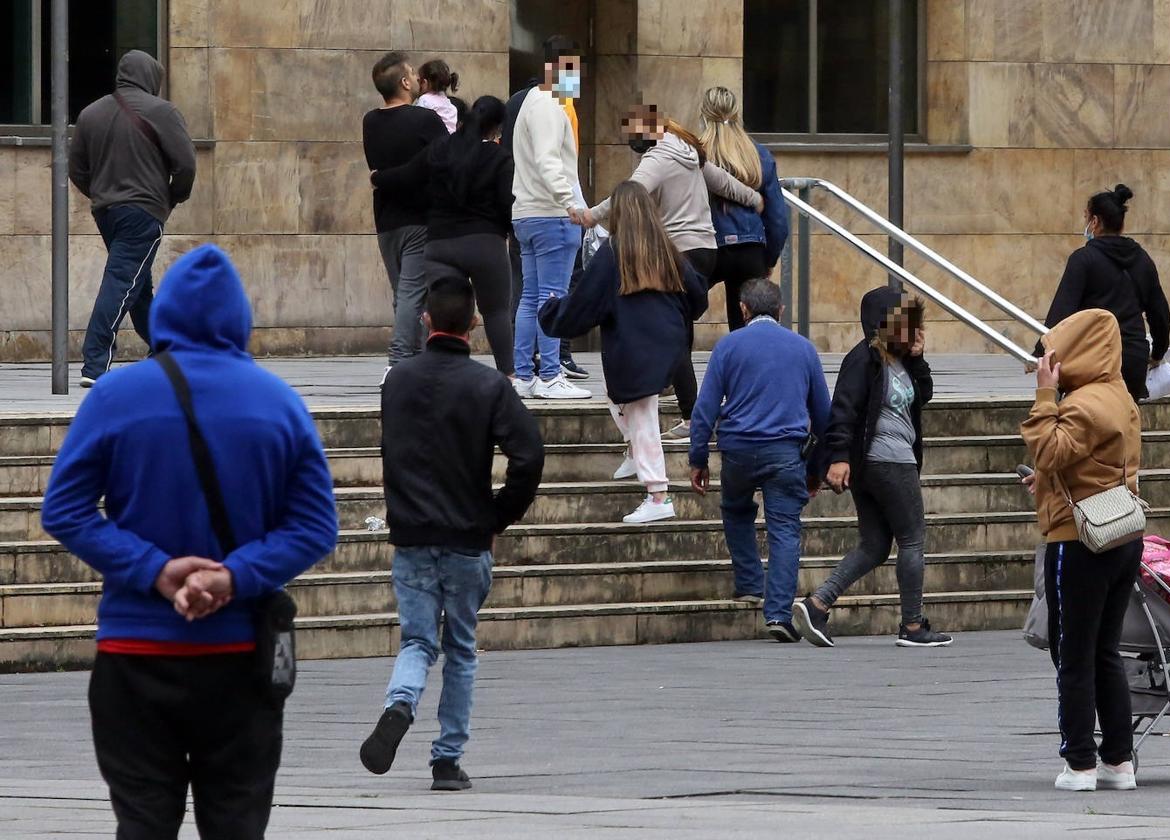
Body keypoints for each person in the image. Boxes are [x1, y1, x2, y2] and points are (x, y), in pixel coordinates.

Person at [40, 244, 340, 839]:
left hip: (134, 651)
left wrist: (154, 569)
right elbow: (315, 526)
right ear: (239, 318)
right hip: (237, 661)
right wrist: (233, 577)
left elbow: (64, 509)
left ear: (166, 314)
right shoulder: (279, 403)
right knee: (235, 823)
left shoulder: (114, 398)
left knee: (144, 822)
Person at [360, 275, 544, 790]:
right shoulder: (488, 386)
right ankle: (446, 759)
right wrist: (496, 516)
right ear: (475, 325)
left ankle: (399, 704)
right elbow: (529, 455)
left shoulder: (396, 381)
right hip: (466, 536)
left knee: (417, 642)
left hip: (413, 535)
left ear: (425, 321)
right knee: (460, 647)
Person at [585, 102, 764, 441]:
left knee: (674, 334)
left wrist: (589, 215)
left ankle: (692, 415)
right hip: (707, 250)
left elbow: (628, 195)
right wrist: (753, 199)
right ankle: (678, 394)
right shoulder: (689, 150)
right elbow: (723, 183)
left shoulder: (658, 158)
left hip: (680, 252)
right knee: (677, 328)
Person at [1021, 309, 1144, 793]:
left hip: (1079, 539)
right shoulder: (1121, 397)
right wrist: (1047, 480)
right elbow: (1089, 464)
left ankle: (1080, 763)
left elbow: (1049, 451)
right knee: (1105, 651)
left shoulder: (1081, 405)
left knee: (1073, 653)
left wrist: (1045, 395)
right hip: (1121, 534)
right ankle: (1118, 759)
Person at [794, 287, 954, 649]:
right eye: (904, 322)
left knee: (875, 544)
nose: (912, 329)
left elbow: (923, 396)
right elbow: (843, 410)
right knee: (912, 538)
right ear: (883, 322)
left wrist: (918, 358)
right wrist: (838, 457)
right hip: (886, 461)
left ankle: (817, 605)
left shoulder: (900, 361)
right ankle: (913, 625)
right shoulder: (864, 359)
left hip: (887, 461)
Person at [541, 181, 707, 523]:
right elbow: (698, 296)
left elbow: (585, 303)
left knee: (642, 415)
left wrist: (551, 312)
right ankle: (635, 452)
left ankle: (658, 495)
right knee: (619, 401)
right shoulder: (668, 251)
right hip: (669, 344)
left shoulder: (614, 253)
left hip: (634, 349)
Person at [688, 279, 830, 641]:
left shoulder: (728, 346)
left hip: (737, 449)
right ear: (781, 312)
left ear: (743, 309)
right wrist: (816, 470)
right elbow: (824, 417)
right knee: (785, 529)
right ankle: (779, 614)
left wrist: (698, 458)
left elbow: (704, 409)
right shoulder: (804, 349)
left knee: (736, 509)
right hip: (786, 452)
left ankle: (750, 581)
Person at [69, 49, 196, 389]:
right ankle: (95, 362)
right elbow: (186, 164)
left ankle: (164, 350)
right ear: (152, 77)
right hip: (144, 211)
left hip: (107, 212)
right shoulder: (163, 112)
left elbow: (77, 169)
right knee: (122, 281)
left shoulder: (90, 113)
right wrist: (172, 197)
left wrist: (101, 195)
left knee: (137, 285)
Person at [371, 96, 517, 377]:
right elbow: (504, 203)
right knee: (496, 312)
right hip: (485, 244)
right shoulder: (499, 157)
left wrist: (378, 178)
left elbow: (408, 175)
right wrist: (506, 231)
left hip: (440, 244)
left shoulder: (440, 149)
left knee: (441, 314)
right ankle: (508, 377)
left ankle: (436, 373)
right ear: (496, 128)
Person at [502, 36, 590, 381]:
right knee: (553, 298)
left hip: (528, 212)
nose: (579, 79)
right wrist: (570, 203)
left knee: (530, 298)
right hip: (551, 215)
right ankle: (551, 374)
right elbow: (548, 161)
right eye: (577, 71)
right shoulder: (551, 104)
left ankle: (524, 374)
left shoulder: (530, 102)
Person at [1037, 184, 1170, 401]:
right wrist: (1157, 353)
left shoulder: (1083, 259)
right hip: (1132, 359)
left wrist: (1040, 352)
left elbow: (1062, 312)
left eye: (1086, 217)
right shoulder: (1142, 260)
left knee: (1088, 425)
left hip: (1092, 358)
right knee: (1123, 425)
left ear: (1095, 222)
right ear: (1121, 223)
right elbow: (1160, 315)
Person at [363, 51, 449, 379]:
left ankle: (416, 360)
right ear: (403, 82)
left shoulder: (370, 122)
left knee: (404, 294)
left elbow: (379, 170)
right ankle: (399, 362)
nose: (416, 79)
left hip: (386, 219)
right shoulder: (424, 120)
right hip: (420, 218)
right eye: (412, 74)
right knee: (413, 293)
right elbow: (445, 158)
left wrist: (382, 179)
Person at [699, 87, 790, 330]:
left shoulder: (695, 152)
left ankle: (678, 363)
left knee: (679, 305)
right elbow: (778, 220)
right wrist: (768, 258)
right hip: (750, 248)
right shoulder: (757, 154)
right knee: (747, 322)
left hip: (708, 247)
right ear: (737, 113)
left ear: (704, 115)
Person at [416, 58, 461, 133]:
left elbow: (416, 121)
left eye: (419, 81)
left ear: (424, 83)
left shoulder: (425, 100)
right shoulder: (451, 107)